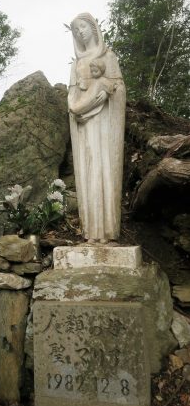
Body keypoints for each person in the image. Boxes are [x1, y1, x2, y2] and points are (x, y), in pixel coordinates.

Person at [68, 12, 126, 241]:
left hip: (105, 124)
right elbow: (71, 94)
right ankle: (90, 231)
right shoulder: (77, 64)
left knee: (104, 169)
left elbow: (119, 88)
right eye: (75, 30)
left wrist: (106, 94)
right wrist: (77, 110)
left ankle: (108, 231)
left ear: (93, 27)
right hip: (85, 124)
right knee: (88, 170)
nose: (80, 32)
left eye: (82, 26)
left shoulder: (108, 57)